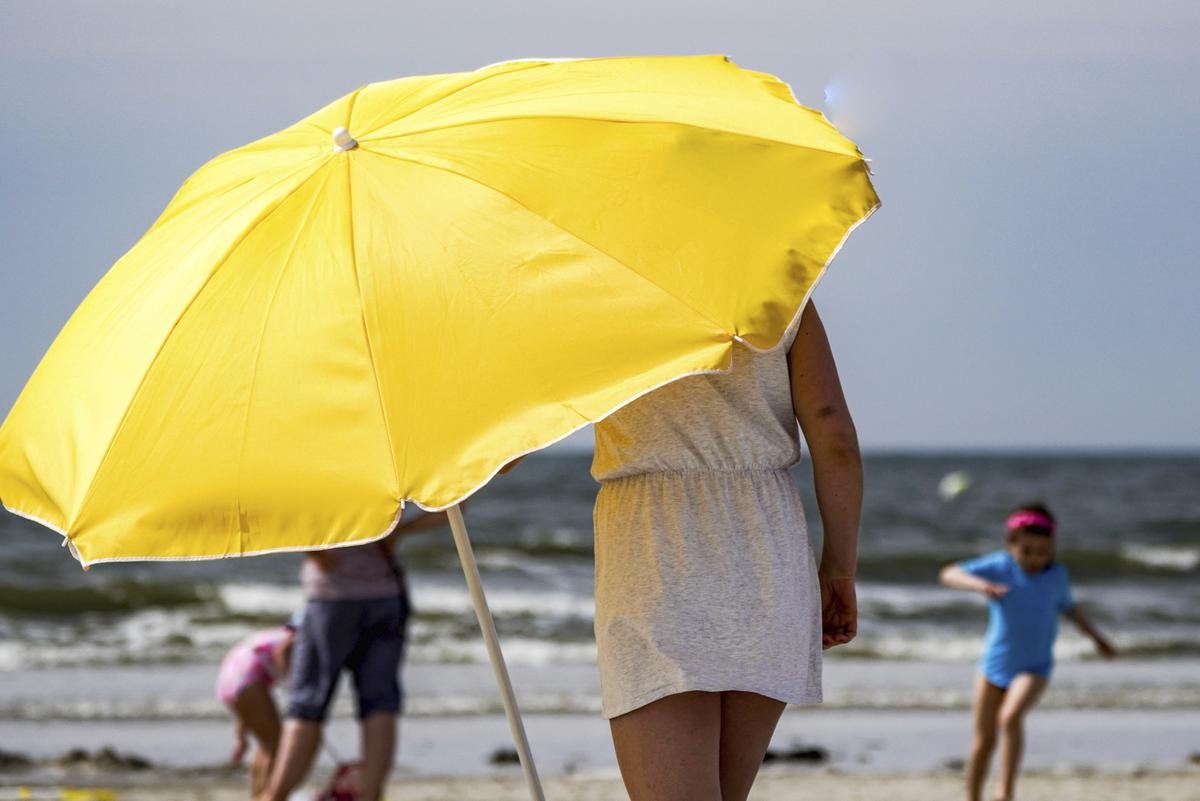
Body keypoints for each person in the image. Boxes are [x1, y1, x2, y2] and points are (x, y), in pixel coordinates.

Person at [590, 303, 861, 801]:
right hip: (770, 539)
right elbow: (833, 434)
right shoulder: (775, 278)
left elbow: (512, 440)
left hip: (655, 542)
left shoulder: (600, 285)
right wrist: (839, 569)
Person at [255, 509, 450, 801]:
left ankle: (276, 795)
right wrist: (399, 530)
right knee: (380, 702)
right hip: (385, 593)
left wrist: (311, 547)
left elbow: (279, 511)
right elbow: (454, 506)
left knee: (307, 703)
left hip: (332, 595)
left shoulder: (315, 469)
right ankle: (370, 794)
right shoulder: (384, 465)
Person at [939, 502, 1116, 801]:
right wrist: (980, 585)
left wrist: (1097, 638)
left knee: (1010, 718)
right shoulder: (999, 567)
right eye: (1027, 551)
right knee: (983, 741)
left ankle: (1004, 794)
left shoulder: (1056, 576)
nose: (1035, 558)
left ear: (1052, 549)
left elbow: (1070, 608)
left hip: (1034, 667)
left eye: (1042, 551)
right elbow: (949, 574)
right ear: (1011, 545)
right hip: (992, 667)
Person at [217, 618, 298, 795]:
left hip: (230, 678)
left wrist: (241, 736)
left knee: (267, 742)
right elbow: (282, 652)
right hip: (247, 680)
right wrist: (292, 687)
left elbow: (246, 704)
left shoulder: (274, 634)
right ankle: (268, 794)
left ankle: (258, 794)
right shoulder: (299, 636)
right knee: (277, 742)